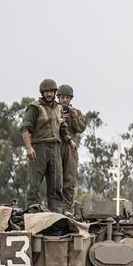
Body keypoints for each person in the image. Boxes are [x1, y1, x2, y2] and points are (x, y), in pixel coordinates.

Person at [21, 78, 64, 212]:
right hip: (39, 146)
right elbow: (25, 129)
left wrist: (70, 140)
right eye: (46, 92)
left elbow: (62, 127)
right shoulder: (34, 107)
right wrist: (29, 147)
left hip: (55, 147)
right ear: (42, 92)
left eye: (51, 91)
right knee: (35, 181)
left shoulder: (59, 108)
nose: (49, 94)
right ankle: (33, 208)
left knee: (56, 182)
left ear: (55, 92)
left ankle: (56, 210)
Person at [57, 84, 87, 215]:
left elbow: (81, 128)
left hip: (71, 147)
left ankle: (67, 208)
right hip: (57, 146)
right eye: (62, 97)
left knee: (69, 178)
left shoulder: (76, 112)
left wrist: (74, 117)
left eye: (67, 98)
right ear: (58, 98)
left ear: (70, 99)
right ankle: (56, 207)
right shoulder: (53, 110)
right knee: (56, 178)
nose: (64, 100)